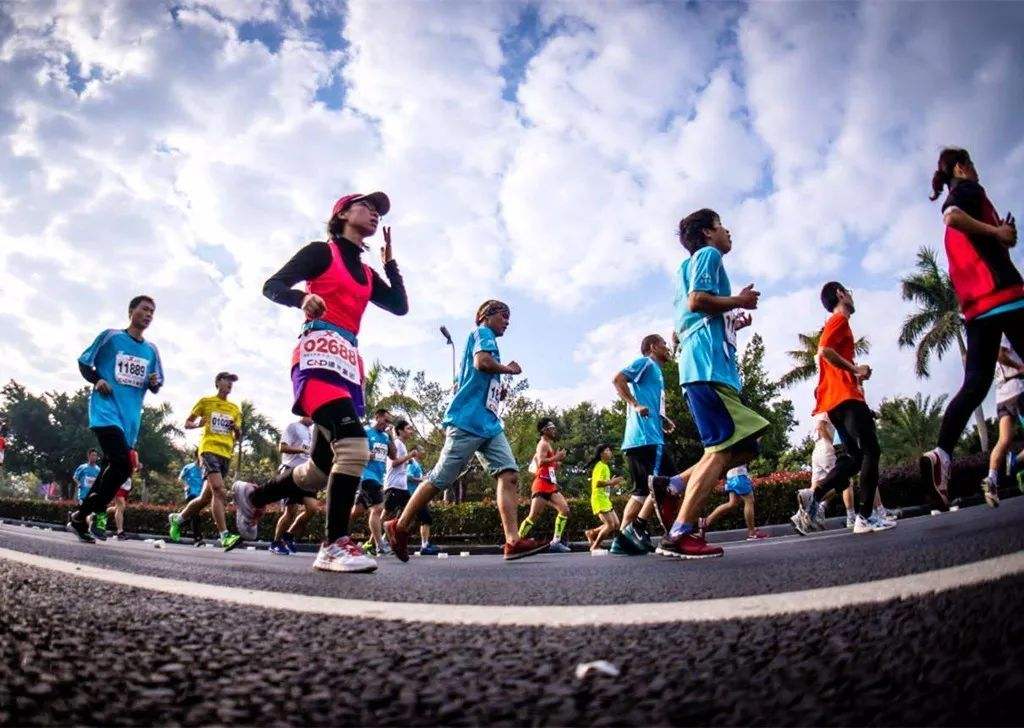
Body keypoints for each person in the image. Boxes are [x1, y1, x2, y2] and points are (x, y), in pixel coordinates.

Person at [232, 191, 408, 573]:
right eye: (367, 206)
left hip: (348, 367)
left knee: (319, 470)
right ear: (342, 213)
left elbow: (399, 306)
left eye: (379, 211)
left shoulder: (365, 272)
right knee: (355, 448)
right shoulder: (320, 252)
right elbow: (272, 285)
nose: (375, 214)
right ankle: (334, 545)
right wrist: (301, 299)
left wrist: (389, 264)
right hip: (316, 360)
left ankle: (255, 494)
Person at [384, 300, 548, 562]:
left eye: (509, 317)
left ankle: (513, 541)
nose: (507, 321)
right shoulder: (482, 333)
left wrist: (498, 388)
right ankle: (399, 526)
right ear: (486, 315)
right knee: (441, 479)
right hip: (467, 422)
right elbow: (482, 363)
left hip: (489, 424)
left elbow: (479, 375)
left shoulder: (485, 338)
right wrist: (508, 369)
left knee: (509, 474)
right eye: (504, 316)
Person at [662, 208, 767, 558]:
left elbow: (692, 315)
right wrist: (739, 300)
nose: (728, 231)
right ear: (708, 233)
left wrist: (733, 319)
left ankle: (674, 484)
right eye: (721, 226)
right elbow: (699, 301)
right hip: (709, 369)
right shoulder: (708, 255)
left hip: (701, 366)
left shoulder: (684, 268)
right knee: (724, 450)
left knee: (744, 447)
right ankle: (681, 531)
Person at [921, 148, 1022, 509]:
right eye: (974, 164)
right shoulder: (967, 190)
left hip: (977, 309)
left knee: (976, 384)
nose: (977, 170)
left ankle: (942, 455)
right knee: (976, 383)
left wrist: (999, 235)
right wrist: (999, 231)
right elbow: (952, 217)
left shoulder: (965, 196)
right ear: (962, 167)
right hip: (1005, 294)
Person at [791, 282, 893, 535]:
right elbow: (824, 350)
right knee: (871, 451)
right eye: (848, 291)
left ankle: (815, 493)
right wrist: (855, 369)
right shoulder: (839, 320)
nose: (851, 295)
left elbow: (830, 357)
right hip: (845, 400)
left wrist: (856, 373)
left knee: (854, 458)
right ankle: (866, 516)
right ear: (840, 294)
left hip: (834, 403)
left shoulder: (840, 326)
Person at [68, 295, 163, 543]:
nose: (148, 314)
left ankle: (80, 516)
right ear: (131, 311)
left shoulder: (151, 350)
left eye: (152, 312)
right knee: (123, 464)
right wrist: (96, 379)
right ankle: (89, 512)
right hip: (105, 412)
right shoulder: (111, 337)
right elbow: (84, 361)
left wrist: (153, 383)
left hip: (130, 420)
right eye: (144, 309)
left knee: (115, 469)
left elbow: (157, 382)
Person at [612, 334, 679, 555]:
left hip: (642, 439)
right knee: (669, 483)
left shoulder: (657, 371)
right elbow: (618, 379)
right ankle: (649, 530)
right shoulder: (645, 363)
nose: (666, 348)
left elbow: (652, 401)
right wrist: (635, 404)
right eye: (663, 345)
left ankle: (621, 541)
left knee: (640, 492)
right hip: (646, 439)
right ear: (652, 347)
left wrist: (662, 419)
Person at [169, 373, 243, 551]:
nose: (230, 384)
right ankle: (225, 536)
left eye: (232, 382)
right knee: (219, 490)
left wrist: (237, 429)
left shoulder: (235, 408)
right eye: (227, 380)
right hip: (209, 450)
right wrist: (198, 424)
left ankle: (177, 519)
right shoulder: (205, 402)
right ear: (218, 382)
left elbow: (239, 436)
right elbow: (187, 423)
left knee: (204, 498)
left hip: (226, 453)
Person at [518, 418, 571, 553]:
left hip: (550, 485)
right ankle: (516, 541)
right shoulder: (542, 444)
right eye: (551, 428)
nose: (554, 430)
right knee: (533, 516)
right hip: (541, 484)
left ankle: (556, 542)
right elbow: (541, 462)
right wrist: (556, 458)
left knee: (564, 509)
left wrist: (556, 462)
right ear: (544, 430)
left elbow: (548, 465)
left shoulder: (549, 445)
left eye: (554, 428)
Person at [982, 336, 1024, 507]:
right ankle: (1015, 461)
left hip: (1001, 396)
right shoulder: (1003, 333)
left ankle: (991, 479)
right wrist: (1019, 366)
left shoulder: (987, 337)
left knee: (1003, 440)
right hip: (1017, 389)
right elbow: (999, 354)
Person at [270, 416, 318, 555]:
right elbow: (282, 447)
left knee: (313, 508)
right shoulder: (293, 427)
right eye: (311, 416)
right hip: (290, 472)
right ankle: (276, 543)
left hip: (306, 473)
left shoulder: (312, 432)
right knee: (290, 512)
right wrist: (302, 450)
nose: (313, 419)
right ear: (304, 414)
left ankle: (288, 535)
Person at [350, 409, 395, 556]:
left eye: (389, 422)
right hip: (366, 476)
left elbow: (393, 456)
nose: (387, 424)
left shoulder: (385, 437)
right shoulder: (366, 432)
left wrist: (391, 437)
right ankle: (379, 545)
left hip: (378, 477)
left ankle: (335, 534)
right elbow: (355, 451)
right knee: (377, 509)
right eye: (385, 420)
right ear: (377, 417)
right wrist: (367, 454)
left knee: (356, 512)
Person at [699, 466, 768, 540]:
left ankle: (706, 521)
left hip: (731, 476)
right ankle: (752, 533)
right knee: (749, 501)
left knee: (732, 503)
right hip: (738, 475)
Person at [381, 418, 420, 534]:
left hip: (402, 487)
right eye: (408, 428)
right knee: (386, 513)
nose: (411, 431)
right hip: (393, 485)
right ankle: (372, 542)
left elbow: (400, 463)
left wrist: (408, 461)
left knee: (409, 512)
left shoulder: (402, 445)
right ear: (400, 431)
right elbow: (394, 463)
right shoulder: (397, 443)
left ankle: (389, 535)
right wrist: (410, 456)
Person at [585, 444, 624, 552]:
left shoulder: (605, 466)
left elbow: (605, 483)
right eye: (607, 450)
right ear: (602, 454)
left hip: (605, 499)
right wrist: (612, 482)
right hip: (599, 499)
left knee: (616, 524)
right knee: (610, 525)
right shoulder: (600, 466)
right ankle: (595, 546)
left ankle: (591, 533)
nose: (610, 452)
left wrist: (612, 483)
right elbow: (598, 483)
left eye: (610, 450)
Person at [406, 455, 438, 555]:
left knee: (424, 519)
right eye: (420, 449)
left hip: (417, 497)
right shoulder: (412, 464)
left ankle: (425, 545)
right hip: (412, 496)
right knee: (425, 519)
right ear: (416, 452)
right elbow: (408, 477)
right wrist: (422, 479)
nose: (423, 451)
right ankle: (424, 545)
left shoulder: (418, 465)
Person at [178, 452, 207, 546]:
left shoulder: (206, 469)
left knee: (192, 516)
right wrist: (186, 486)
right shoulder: (188, 467)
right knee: (195, 516)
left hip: (201, 496)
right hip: (191, 494)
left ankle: (177, 522)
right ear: (197, 456)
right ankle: (198, 539)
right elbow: (180, 479)